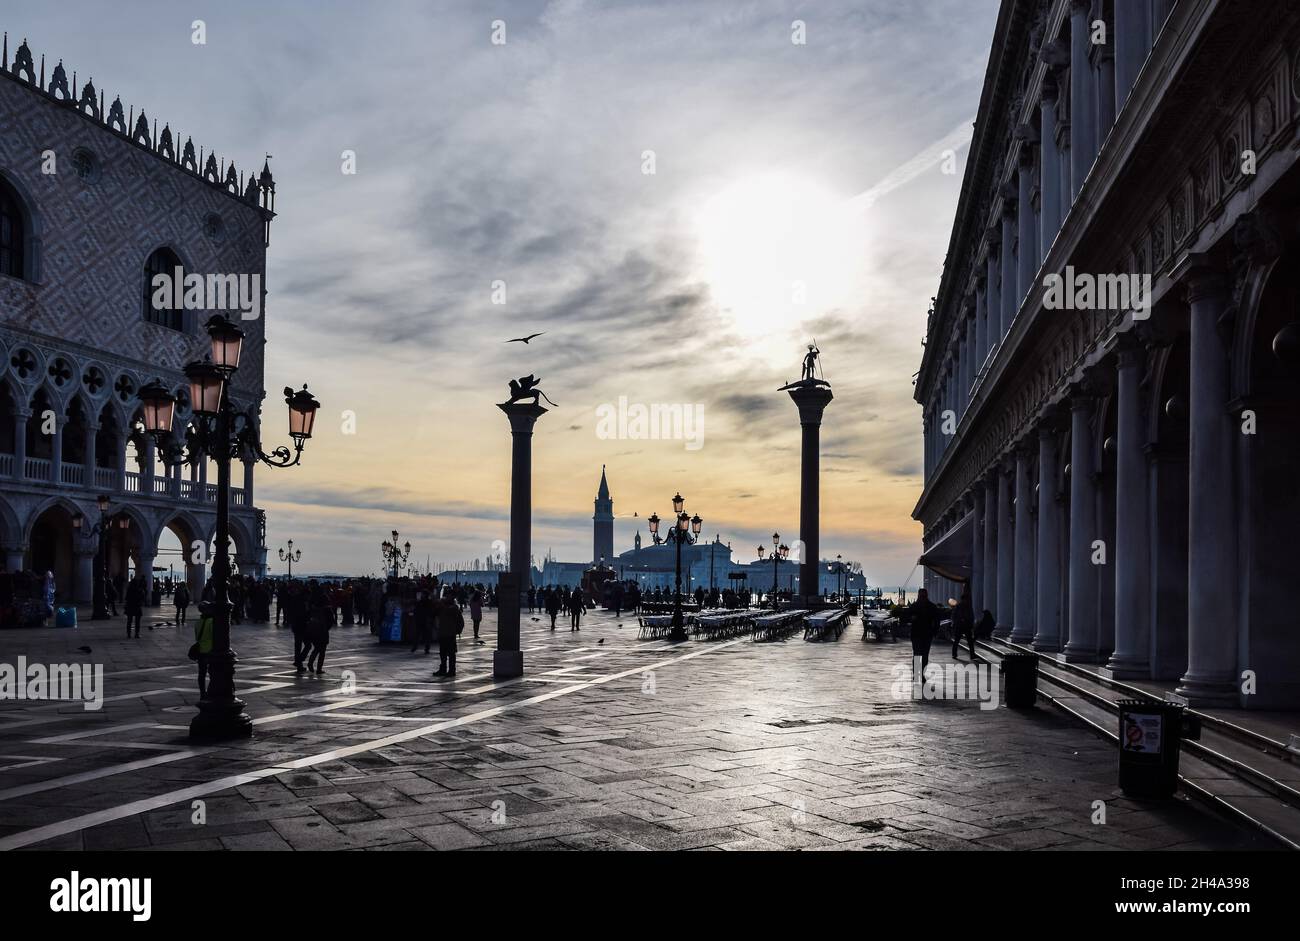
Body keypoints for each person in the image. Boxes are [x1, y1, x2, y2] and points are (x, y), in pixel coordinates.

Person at [908, 588, 940, 682]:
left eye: (923, 596)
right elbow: (906, 617)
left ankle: (920, 674)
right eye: (921, 596)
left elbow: (937, 620)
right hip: (917, 634)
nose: (922, 598)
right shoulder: (915, 606)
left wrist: (934, 631)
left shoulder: (931, 607)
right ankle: (918, 675)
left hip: (926, 634)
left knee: (924, 656)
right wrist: (911, 618)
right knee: (918, 654)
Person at [435, 592, 463, 677]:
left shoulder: (453, 608)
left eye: (448, 597)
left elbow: (459, 621)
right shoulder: (442, 607)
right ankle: (443, 669)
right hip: (443, 632)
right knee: (443, 653)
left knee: (450, 653)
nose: (446, 598)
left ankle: (451, 670)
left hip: (450, 633)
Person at [951, 587, 979, 661]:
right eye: (965, 599)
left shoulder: (967, 607)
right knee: (957, 641)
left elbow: (971, 616)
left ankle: (972, 654)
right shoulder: (959, 606)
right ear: (963, 599)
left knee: (969, 641)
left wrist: (971, 623)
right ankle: (954, 654)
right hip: (960, 626)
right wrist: (957, 622)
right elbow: (954, 616)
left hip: (966, 626)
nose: (966, 601)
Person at [194, 601, 215, 697]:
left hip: (200, 651)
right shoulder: (211, 622)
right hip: (210, 650)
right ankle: (211, 691)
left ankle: (202, 692)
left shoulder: (198, 622)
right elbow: (214, 636)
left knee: (201, 674)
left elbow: (196, 636)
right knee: (213, 673)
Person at [411, 589, 434, 655]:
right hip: (422, 619)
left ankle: (424, 648)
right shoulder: (424, 602)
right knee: (420, 634)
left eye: (423, 594)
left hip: (424, 620)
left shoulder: (426, 602)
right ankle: (418, 647)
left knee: (422, 635)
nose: (422, 595)